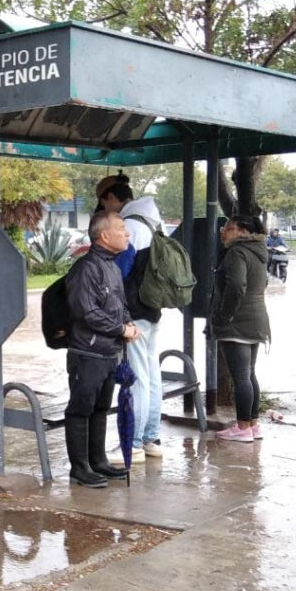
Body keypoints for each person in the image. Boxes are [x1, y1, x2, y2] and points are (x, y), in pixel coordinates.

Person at [63, 211, 141, 487]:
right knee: (81, 409)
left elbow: (120, 303)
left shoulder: (112, 266)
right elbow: (86, 312)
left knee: (100, 408)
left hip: (109, 352)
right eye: (122, 228)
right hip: (88, 352)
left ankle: (98, 462)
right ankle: (79, 467)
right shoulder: (86, 268)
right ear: (104, 235)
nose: (127, 233)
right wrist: (120, 329)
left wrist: (129, 323)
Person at [98, 178, 164, 463]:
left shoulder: (131, 228)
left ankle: (133, 443)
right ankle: (151, 439)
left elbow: (118, 273)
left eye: (104, 202)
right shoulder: (151, 221)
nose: (103, 209)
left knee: (136, 377)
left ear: (113, 198)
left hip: (134, 313)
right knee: (151, 374)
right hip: (151, 309)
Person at [212, 215, 271, 442]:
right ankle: (253, 425)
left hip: (237, 321)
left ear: (242, 231)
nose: (223, 231)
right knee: (249, 373)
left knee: (241, 377)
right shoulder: (258, 251)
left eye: (228, 228)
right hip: (257, 318)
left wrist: (224, 315)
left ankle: (242, 427)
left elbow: (236, 286)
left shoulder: (237, 252)